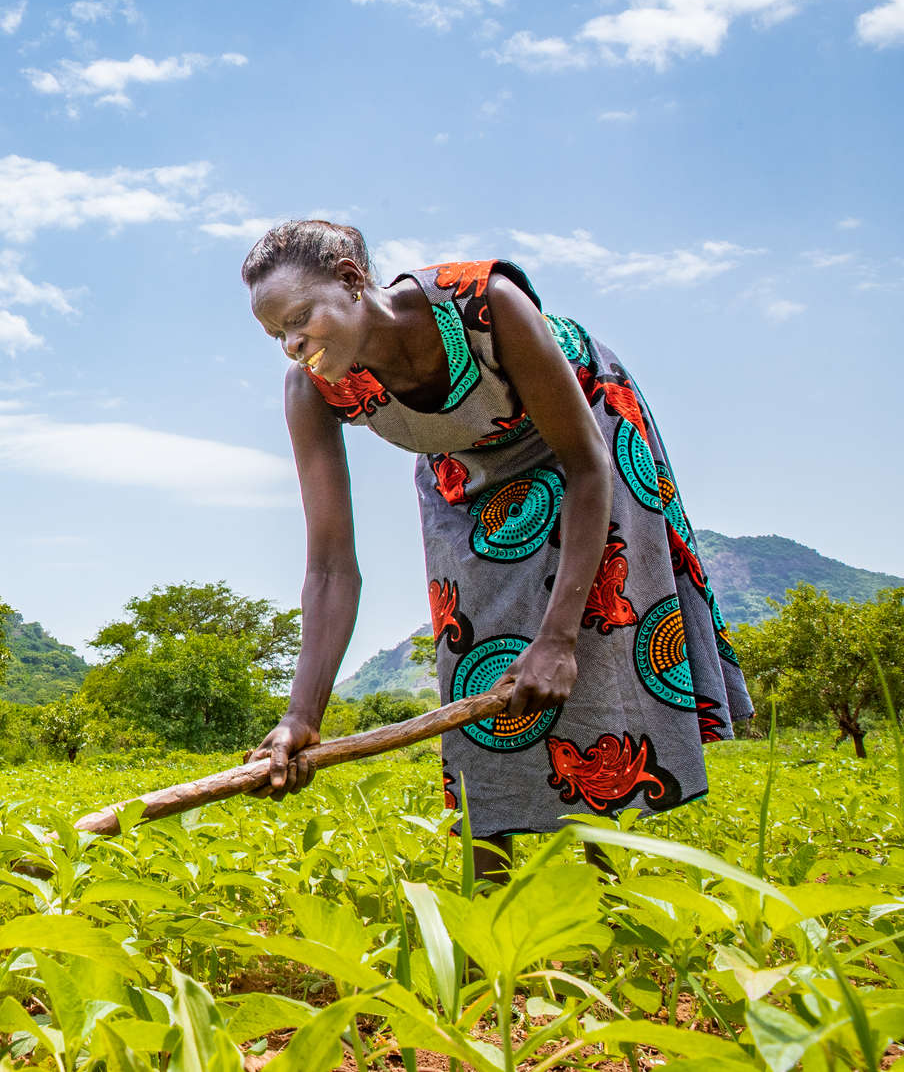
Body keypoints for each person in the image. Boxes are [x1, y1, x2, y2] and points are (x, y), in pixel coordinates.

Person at [239, 220, 751, 866]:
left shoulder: (484, 303)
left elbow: (589, 469)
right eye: (275, 334)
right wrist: (300, 715)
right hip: (468, 461)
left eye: (299, 318)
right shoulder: (312, 387)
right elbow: (331, 567)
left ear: (350, 279)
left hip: (584, 429)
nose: (291, 344)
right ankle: (490, 890)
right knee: (476, 653)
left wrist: (558, 640)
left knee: (593, 627)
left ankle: (604, 880)